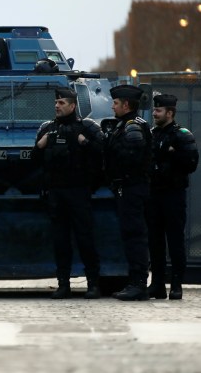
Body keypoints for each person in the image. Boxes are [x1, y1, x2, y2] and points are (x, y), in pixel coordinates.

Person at [32, 88, 104, 299]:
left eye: (61, 102)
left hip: (79, 192)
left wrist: (84, 142)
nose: (57, 106)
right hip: (56, 193)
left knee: (85, 240)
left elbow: (102, 154)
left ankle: (93, 284)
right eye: (56, 102)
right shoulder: (48, 129)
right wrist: (39, 145)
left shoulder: (87, 127)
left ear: (72, 106)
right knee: (60, 241)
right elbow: (34, 161)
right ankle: (63, 284)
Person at [147, 93, 198, 300]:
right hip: (154, 194)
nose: (154, 113)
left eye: (158, 110)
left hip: (173, 195)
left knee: (175, 241)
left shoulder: (182, 135)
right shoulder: (153, 134)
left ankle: (176, 285)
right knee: (155, 242)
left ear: (170, 112)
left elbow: (191, 163)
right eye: (154, 109)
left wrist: (172, 154)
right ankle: (157, 284)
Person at [104, 84, 152, 301]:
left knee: (135, 235)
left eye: (115, 103)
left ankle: (139, 283)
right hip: (127, 186)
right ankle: (134, 281)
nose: (112, 106)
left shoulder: (132, 126)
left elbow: (132, 156)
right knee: (130, 235)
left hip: (132, 187)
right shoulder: (123, 125)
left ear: (125, 104)